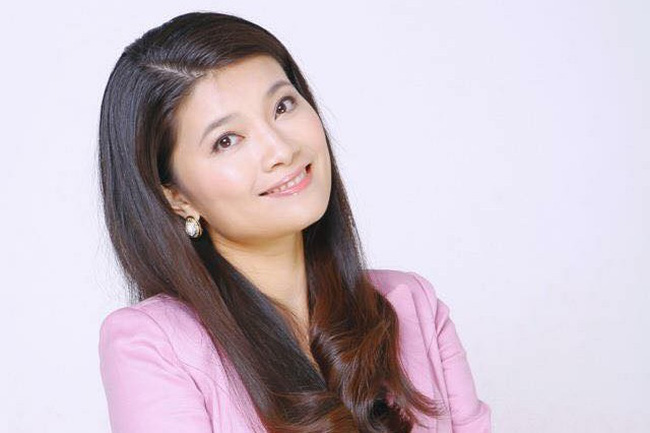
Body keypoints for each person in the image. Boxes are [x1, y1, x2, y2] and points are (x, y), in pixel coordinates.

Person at [97, 11, 491, 433]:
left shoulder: (410, 305)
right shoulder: (155, 344)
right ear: (175, 197)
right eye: (226, 140)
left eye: (282, 106)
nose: (281, 149)